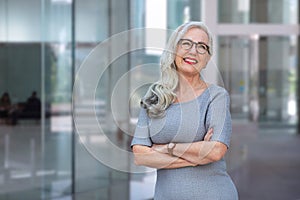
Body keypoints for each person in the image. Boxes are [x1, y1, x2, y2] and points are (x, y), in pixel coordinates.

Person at [131, 21, 238, 199]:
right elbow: (140, 157)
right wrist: (198, 155)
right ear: (174, 49)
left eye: (202, 47)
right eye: (186, 43)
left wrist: (166, 148)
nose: (193, 51)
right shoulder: (154, 96)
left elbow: (215, 151)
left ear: (207, 59)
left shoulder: (216, 96)